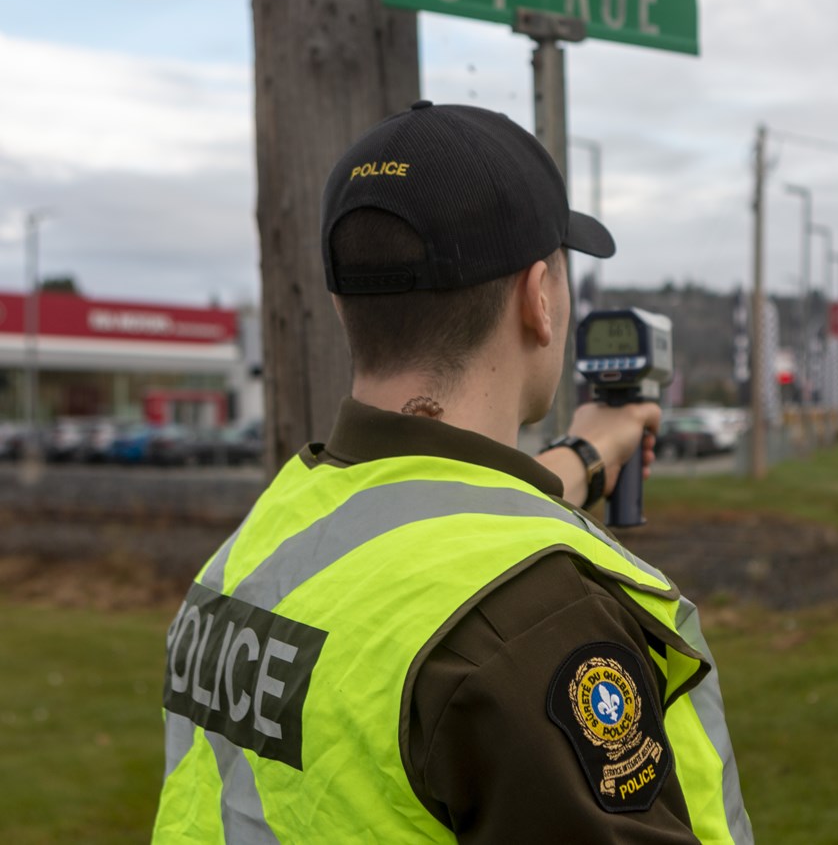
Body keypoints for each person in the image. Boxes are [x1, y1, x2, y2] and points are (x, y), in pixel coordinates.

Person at [152, 102, 753, 843]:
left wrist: (587, 457)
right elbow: (472, 580)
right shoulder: (540, 628)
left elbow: (424, 534)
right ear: (539, 300)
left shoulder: (274, 533)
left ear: (344, 302)